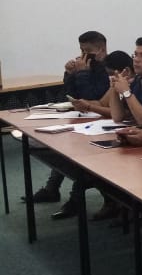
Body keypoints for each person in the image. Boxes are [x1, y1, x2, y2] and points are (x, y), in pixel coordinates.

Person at [31, 31, 117, 205]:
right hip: (85, 118)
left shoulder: (109, 68)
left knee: (81, 155)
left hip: (105, 121)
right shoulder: (87, 67)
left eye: (87, 51)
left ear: (101, 50)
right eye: (81, 50)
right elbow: (72, 95)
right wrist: (70, 75)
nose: (83, 55)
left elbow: (94, 97)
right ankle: (53, 188)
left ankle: (77, 199)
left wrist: (83, 74)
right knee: (65, 148)